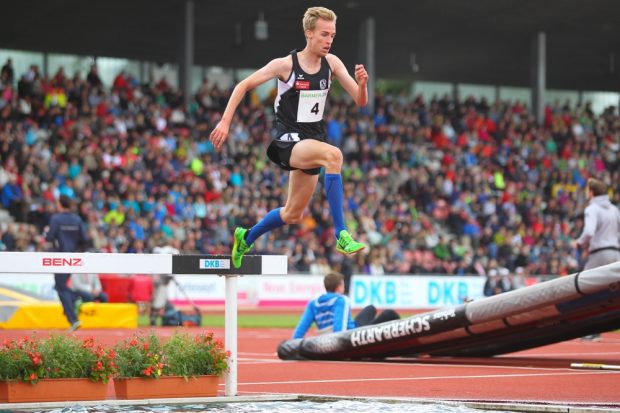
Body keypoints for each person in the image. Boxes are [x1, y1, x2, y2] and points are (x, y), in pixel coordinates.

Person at [210, 6, 368, 268]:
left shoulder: (333, 64)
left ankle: (246, 237)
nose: (329, 40)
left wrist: (362, 84)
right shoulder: (286, 65)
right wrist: (225, 122)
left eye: (333, 35)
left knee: (293, 213)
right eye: (324, 34)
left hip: (311, 143)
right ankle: (341, 233)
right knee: (334, 155)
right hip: (287, 142)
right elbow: (243, 85)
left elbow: (360, 101)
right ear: (309, 34)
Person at [572, 178, 620, 340]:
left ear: (591, 192)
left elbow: (589, 232)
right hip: (615, 253)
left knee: (585, 291)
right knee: (612, 293)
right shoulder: (614, 209)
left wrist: (579, 243)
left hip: (599, 253)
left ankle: (590, 331)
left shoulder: (592, 208)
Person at [292, 272, 400, 339]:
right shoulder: (341, 300)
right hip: (354, 336)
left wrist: (294, 343)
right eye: (343, 285)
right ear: (339, 287)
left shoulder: (313, 303)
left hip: (340, 332)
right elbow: (340, 330)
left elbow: (301, 328)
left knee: (370, 309)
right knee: (389, 314)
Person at [45, 195, 89, 331]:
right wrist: (77, 251)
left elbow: (50, 237)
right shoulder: (77, 219)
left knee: (60, 287)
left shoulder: (56, 219)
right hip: (73, 258)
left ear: (60, 205)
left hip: (60, 257)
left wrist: (47, 234)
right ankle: (77, 300)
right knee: (62, 286)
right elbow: (85, 239)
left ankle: (73, 317)